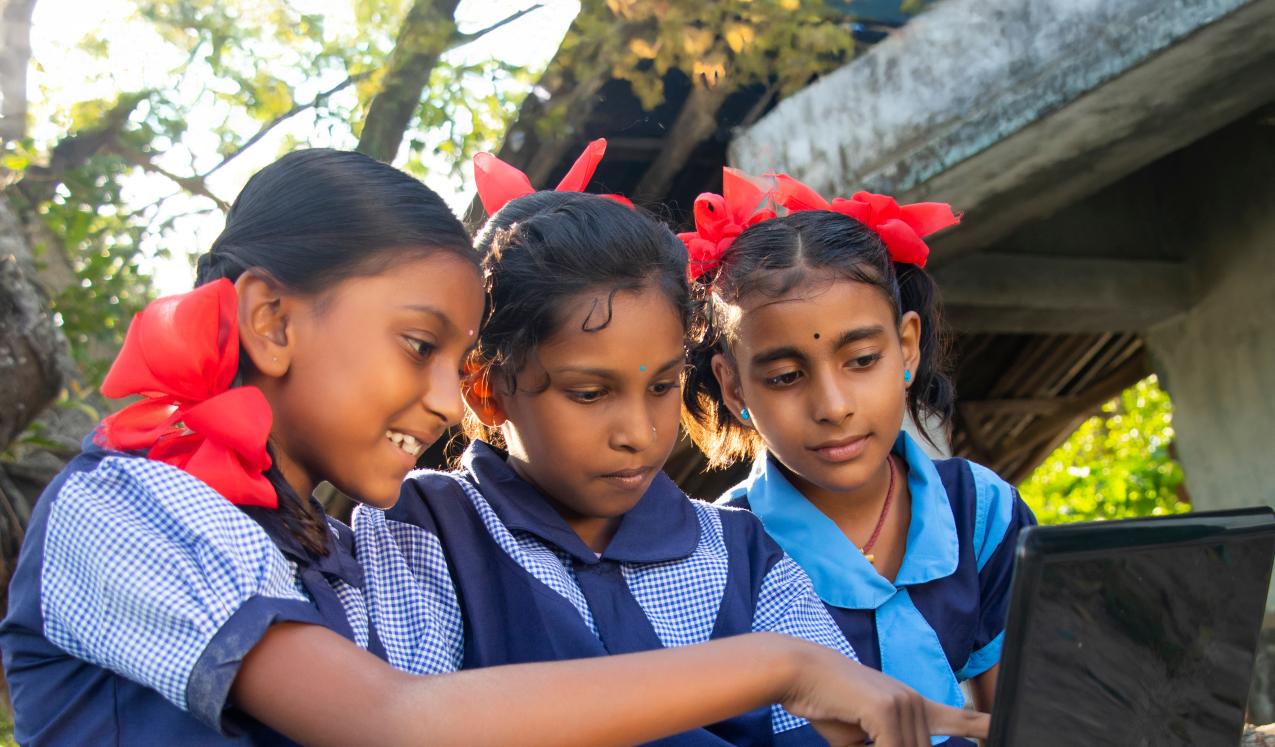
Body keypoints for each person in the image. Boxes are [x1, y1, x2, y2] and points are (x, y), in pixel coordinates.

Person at [1, 150, 987, 747]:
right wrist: (775, 664)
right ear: (269, 318)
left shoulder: (316, 540)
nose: (443, 402)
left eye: (451, 357)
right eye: (420, 345)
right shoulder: (129, 508)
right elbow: (392, 725)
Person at [365, 142, 857, 745]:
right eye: (590, 393)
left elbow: (840, 729)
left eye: (662, 386)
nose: (640, 434)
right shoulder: (423, 536)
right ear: (486, 389)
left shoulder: (743, 555)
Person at [682, 169, 1036, 745]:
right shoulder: (717, 561)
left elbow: (1025, 715)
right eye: (785, 375)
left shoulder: (980, 509)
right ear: (734, 386)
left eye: (862, 359)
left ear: (907, 346)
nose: (832, 405)